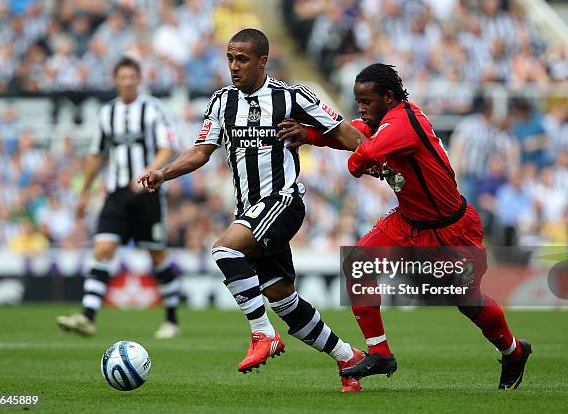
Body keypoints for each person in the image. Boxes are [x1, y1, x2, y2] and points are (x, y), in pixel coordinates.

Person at [137, 28, 366, 392]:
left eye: (241, 58)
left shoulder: (293, 96)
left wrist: (380, 159)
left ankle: (263, 334)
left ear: (262, 61)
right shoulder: (221, 101)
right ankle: (348, 358)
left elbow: (344, 134)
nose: (233, 66)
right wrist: (163, 173)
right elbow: (201, 151)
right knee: (283, 299)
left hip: (283, 201)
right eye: (229, 58)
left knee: (224, 249)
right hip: (250, 211)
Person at [277, 63, 532, 390]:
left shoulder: (403, 123)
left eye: (367, 100)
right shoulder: (384, 121)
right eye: (358, 100)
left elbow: (360, 156)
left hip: (450, 228)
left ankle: (513, 351)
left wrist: (362, 159)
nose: (362, 108)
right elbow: (353, 134)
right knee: (358, 263)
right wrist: (310, 134)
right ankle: (380, 352)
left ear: (388, 96)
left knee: (468, 301)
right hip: (409, 219)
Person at [57, 57, 183, 339]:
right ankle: (87, 317)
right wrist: (83, 192)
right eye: (122, 77)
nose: (127, 81)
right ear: (115, 80)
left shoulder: (153, 108)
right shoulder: (107, 113)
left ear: (139, 79)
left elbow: (168, 147)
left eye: (131, 76)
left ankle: (172, 319)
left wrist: (150, 171)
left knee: (157, 254)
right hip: (116, 192)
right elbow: (96, 154)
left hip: (147, 192)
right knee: (102, 249)